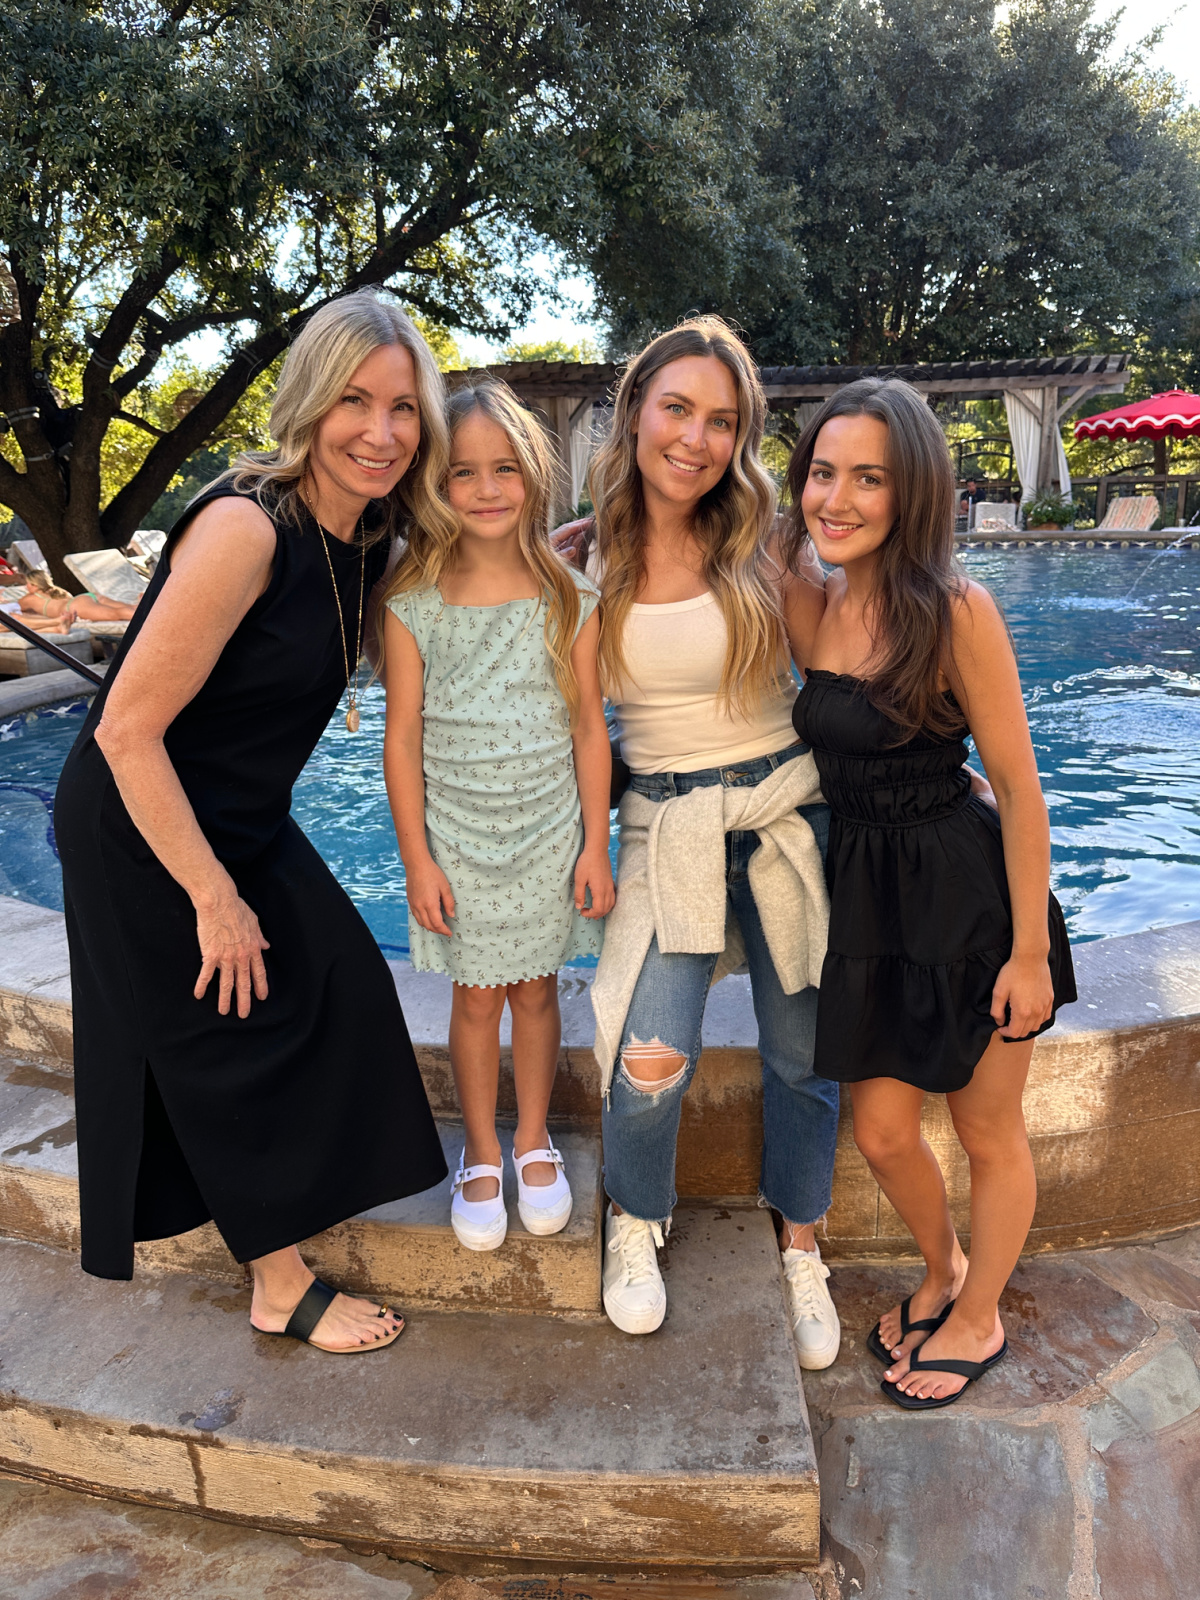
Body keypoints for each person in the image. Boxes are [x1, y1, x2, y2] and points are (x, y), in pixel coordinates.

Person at [54, 289, 450, 1353]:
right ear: (311, 404)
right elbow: (126, 734)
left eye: (404, 408)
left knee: (344, 978)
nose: (381, 431)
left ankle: (297, 1195)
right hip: (141, 820)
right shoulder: (244, 527)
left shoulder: (368, 538)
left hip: (243, 814)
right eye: (356, 402)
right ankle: (278, 1282)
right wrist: (214, 897)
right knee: (218, 1026)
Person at [786, 377, 1076, 1409]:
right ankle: (946, 1270)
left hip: (970, 906)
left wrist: (1031, 951)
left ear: (915, 490)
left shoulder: (957, 608)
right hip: (870, 906)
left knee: (989, 1132)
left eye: (871, 478)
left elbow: (1022, 786)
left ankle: (981, 1310)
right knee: (882, 1131)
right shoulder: (814, 597)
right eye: (825, 472)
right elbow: (698, 520)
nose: (840, 497)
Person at [559, 318, 842, 1366]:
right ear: (635, 410)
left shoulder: (768, 541)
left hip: (785, 813)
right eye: (677, 408)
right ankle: (636, 1218)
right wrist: (590, 842)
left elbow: (843, 672)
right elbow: (584, 723)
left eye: (722, 420)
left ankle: (802, 1238)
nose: (696, 438)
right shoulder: (583, 560)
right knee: (649, 1057)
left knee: (806, 1056)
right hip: (665, 823)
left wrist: (950, 765)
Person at [382, 380, 614, 1251]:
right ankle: (481, 1147)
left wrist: (597, 845)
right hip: (460, 838)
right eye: (461, 474)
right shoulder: (415, 599)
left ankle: (531, 1138)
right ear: (433, 486)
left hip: (550, 830)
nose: (485, 490)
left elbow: (592, 726)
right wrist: (418, 860)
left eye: (504, 470)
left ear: (535, 476)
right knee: (478, 1001)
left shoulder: (567, 595)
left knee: (537, 990)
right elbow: (400, 739)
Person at [21, 585, 136, 624]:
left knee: (114, 614)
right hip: (85, 597)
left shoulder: (28, 599)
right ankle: (150, 614)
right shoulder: (55, 590)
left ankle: (147, 621)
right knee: (130, 607)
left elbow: (11, 611)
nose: (26, 587)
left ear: (34, 585)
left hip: (75, 606)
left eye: (28, 584)